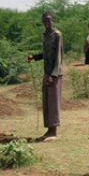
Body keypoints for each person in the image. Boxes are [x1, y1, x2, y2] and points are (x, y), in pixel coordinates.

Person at [26, 12, 63, 142]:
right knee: (46, 101)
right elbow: (46, 53)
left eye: (49, 20)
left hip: (55, 73)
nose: (47, 23)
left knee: (53, 102)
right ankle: (49, 129)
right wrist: (34, 57)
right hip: (46, 72)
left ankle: (54, 131)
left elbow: (58, 56)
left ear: (52, 20)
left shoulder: (57, 35)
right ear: (42, 22)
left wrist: (53, 76)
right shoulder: (45, 36)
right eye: (44, 21)